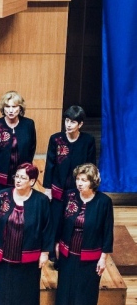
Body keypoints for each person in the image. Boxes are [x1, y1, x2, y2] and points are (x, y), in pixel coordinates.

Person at [0, 163, 53, 305]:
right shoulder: (2, 196)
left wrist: (45, 252)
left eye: (23, 178)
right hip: (3, 250)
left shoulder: (41, 201)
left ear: (32, 181)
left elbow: (48, 228)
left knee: (25, 287)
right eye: (17, 176)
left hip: (28, 252)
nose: (18, 180)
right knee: (2, 286)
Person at [54, 164, 113, 305]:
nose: (79, 183)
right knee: (65, 288)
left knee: (85, 291)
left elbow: (107, 231)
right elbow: (61, 221)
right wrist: (57, 242)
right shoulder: (70, 195)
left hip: (90, 255)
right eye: (78, 179)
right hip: (68, 251)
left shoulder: (104, 202)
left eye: (84, 180)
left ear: (93, 182)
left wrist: (103, 258)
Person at [44, 105, 97, 252]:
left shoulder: (88, 140)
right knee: (55, 220)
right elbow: (50, 164)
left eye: (73, 122)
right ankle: (52, 252)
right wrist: (47, 188)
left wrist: (89, 188)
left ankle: (68, 251)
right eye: (67, 120)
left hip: (77, 189)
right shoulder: (56, 139)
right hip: (58, 188)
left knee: (72, 221)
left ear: (80, 124)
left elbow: (91, 166)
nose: (68, 124)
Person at [0, 91, 37, 206]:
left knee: (19, 204)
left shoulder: (29, 124)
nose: (11, 110)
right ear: (3, 108)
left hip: (21, 175)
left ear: (20, 108)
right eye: (7, 106)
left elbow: (31, 147)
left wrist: (27, 168)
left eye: (14, 106)